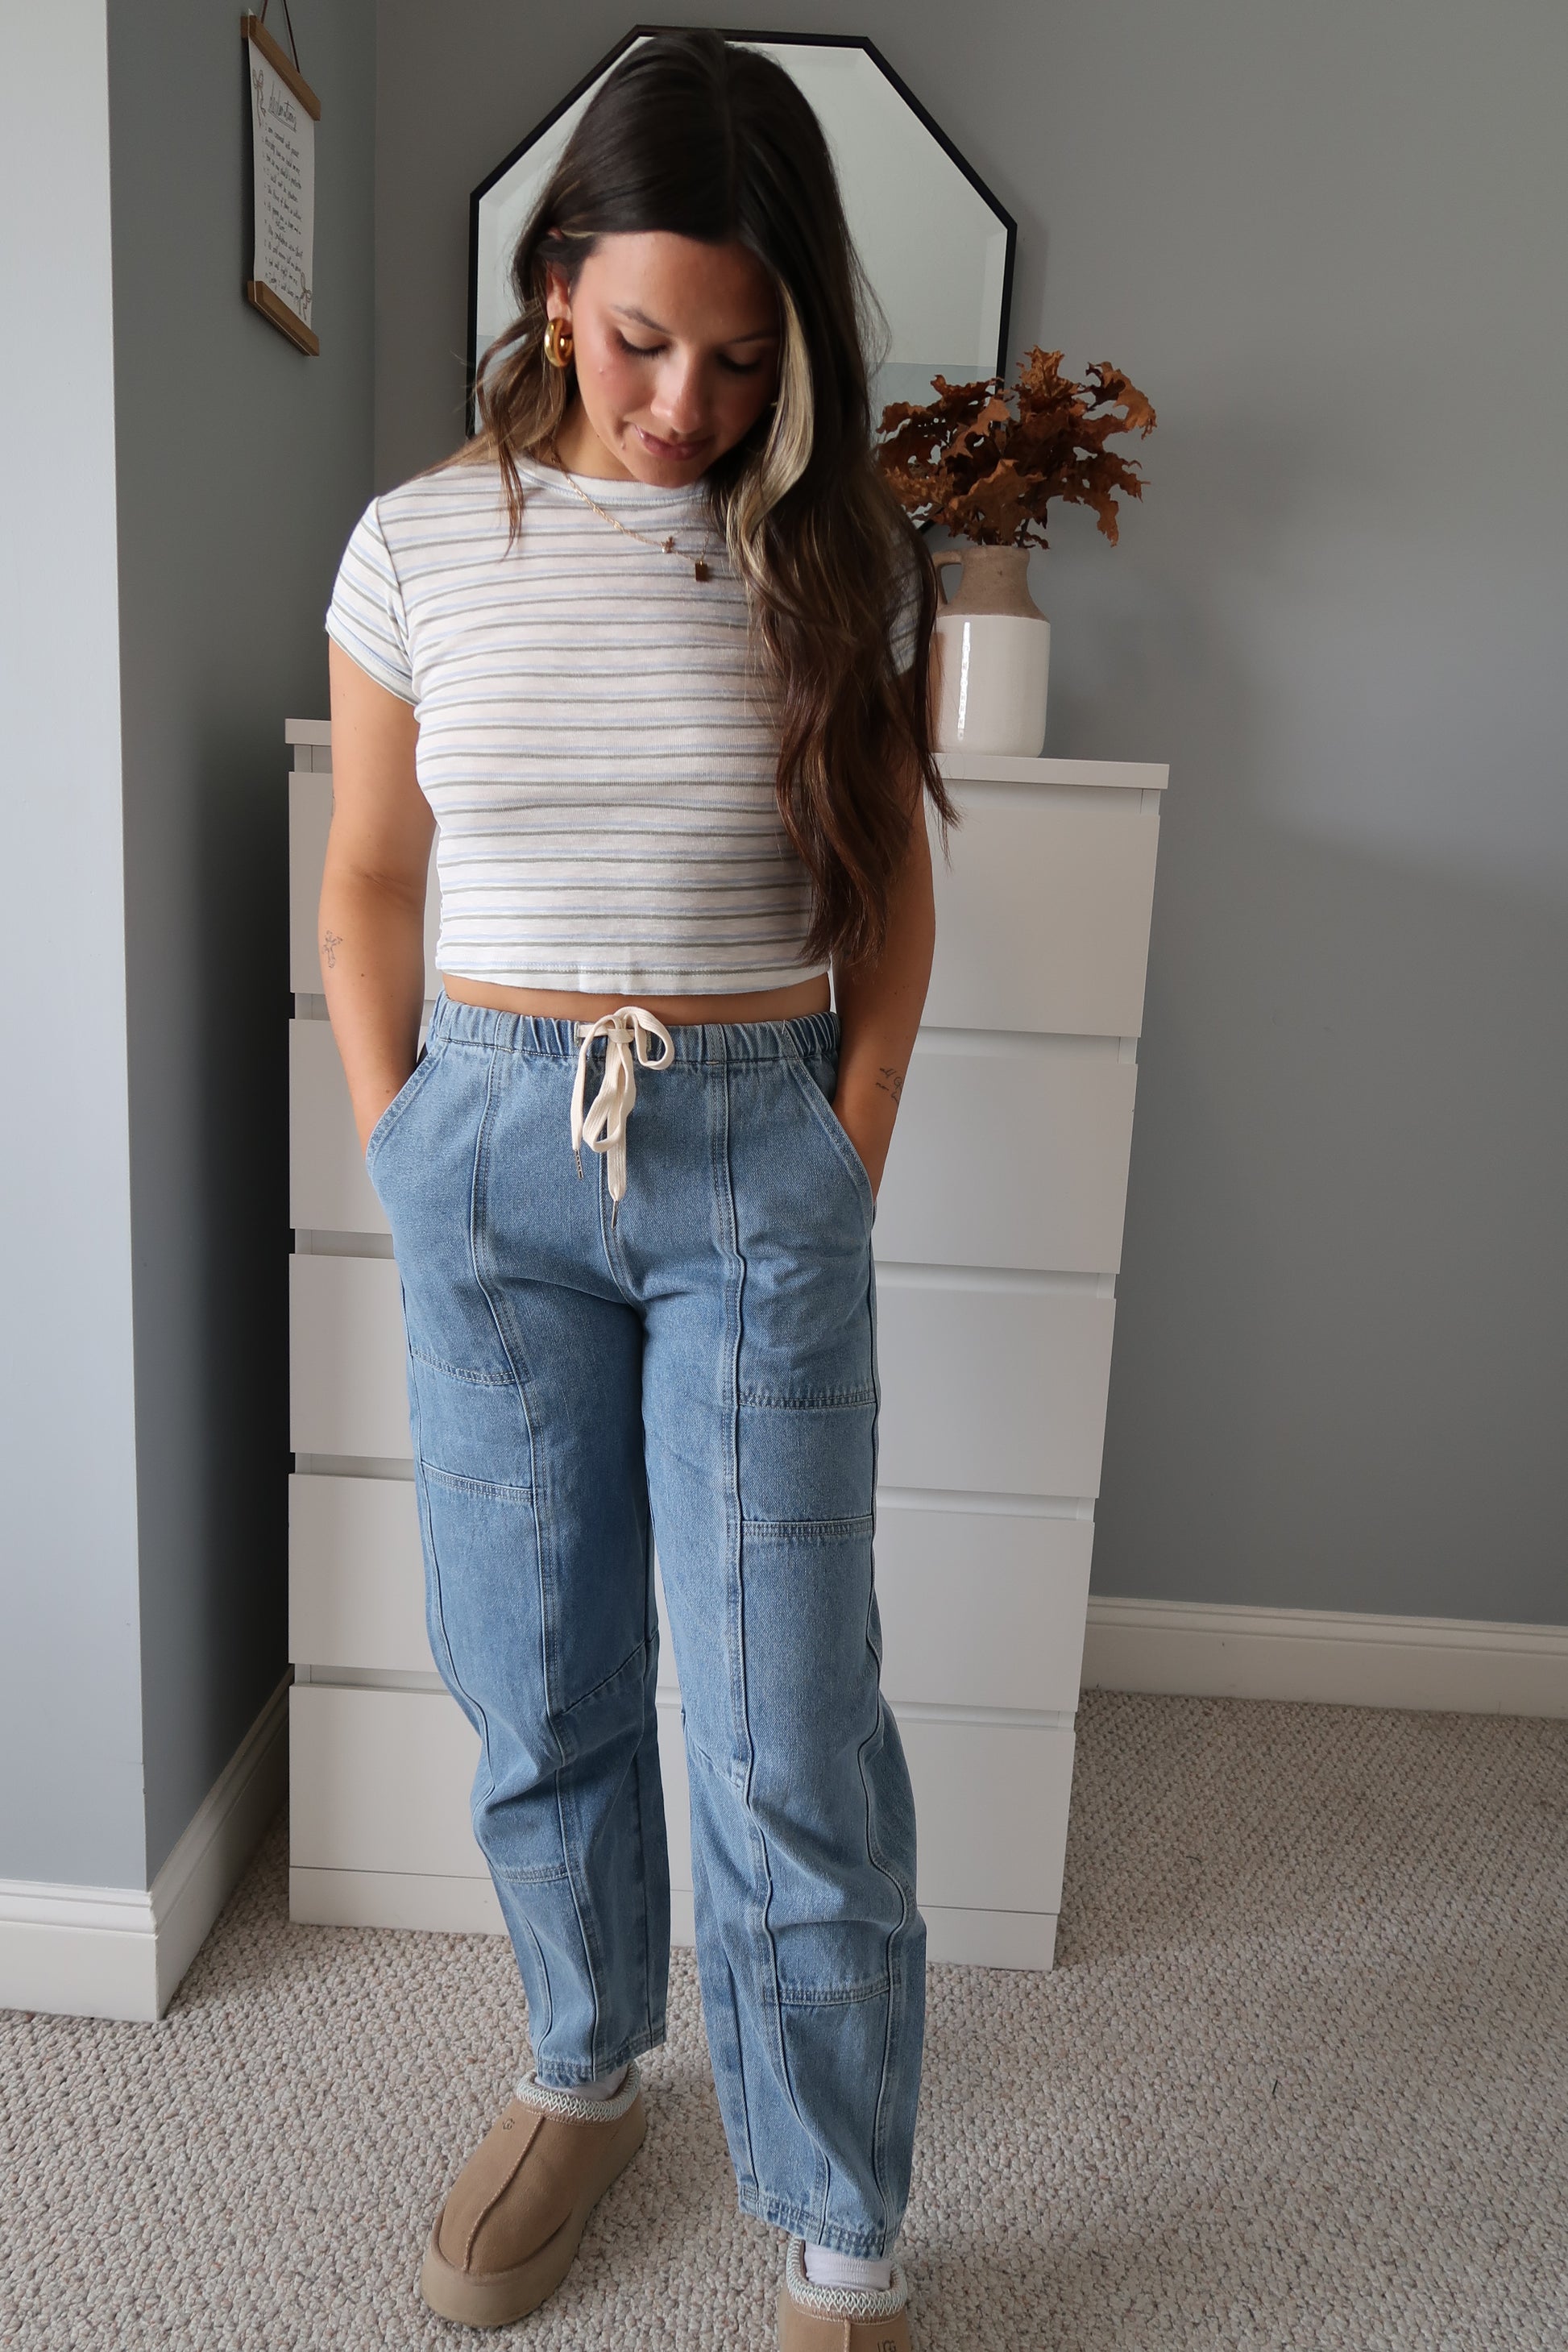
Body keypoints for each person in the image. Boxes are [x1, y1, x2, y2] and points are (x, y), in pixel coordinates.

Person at [321, 30, 953, 2349]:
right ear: (553, 287)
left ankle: (841, 2225)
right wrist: (401, 1133)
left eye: (743, 356)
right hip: (493, 1149)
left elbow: (892, 897)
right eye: (639, 341)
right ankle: (582, 2070)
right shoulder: (414, 547)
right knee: (538, 1670)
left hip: (752, 1151)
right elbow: (368, 874)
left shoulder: (838, 562)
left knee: (788, 1718)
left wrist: (841, 1143)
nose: (686, 401)